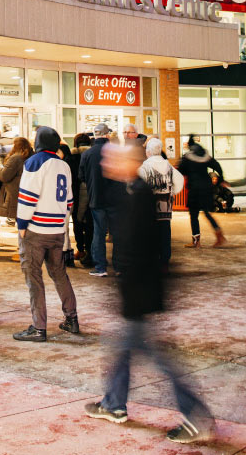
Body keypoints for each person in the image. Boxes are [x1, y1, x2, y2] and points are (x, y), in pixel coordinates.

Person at [83, 143, 214, 444]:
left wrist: (129, 290)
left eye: (111, 160)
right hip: (137, 291)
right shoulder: (131, 192)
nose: (106, 165)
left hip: (139, 293)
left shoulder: (137, 196)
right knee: (125, 351)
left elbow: (138, 249)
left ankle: (194, 414)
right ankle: (113, 404)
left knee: (157, 356)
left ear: (129, 163)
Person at [13, 127, 80, 342]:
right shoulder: (64, 165)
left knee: (34, 277)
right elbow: (69, 201)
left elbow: (27, 197)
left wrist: (22, 224)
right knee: (59, 273)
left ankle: (38, 327)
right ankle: (72, 319)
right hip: (57, 230)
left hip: (36, 229)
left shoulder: (34, 162)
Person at [139, 138, 183, 268]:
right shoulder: (168, 166)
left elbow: (137, 186)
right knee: (165, 234)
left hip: (149, 208)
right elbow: (179, 181)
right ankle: (164, 261)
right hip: (166, 207)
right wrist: (172, 192)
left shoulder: (145, 167)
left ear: (148, 152)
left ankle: (152, 261)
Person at [80, 124, 116, 276]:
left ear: (94, 136)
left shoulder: (87, 154)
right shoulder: (116, 153)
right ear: (107, 135)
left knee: (98, 233)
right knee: (118, 234)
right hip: (115, 200)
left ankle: (100, 267)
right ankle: (120, 267)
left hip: (96, 198)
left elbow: (81, 176)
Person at [177, 137, 225, 248]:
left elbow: (180, 170)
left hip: (194, 189)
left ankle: (196, 241)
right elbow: (217, 166)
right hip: (206, 188)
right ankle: (219, 235)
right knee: (207, 212)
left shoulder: (187, 157)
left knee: (194, 215)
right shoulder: (205, 156)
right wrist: (221, 178)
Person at [69, 132, 96, 268]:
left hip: (75, 192)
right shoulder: (93, 155)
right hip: (91, 191)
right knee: (90, 222)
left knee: (77, 221)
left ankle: (80, 249)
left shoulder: (71, 156)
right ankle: (90, 250)